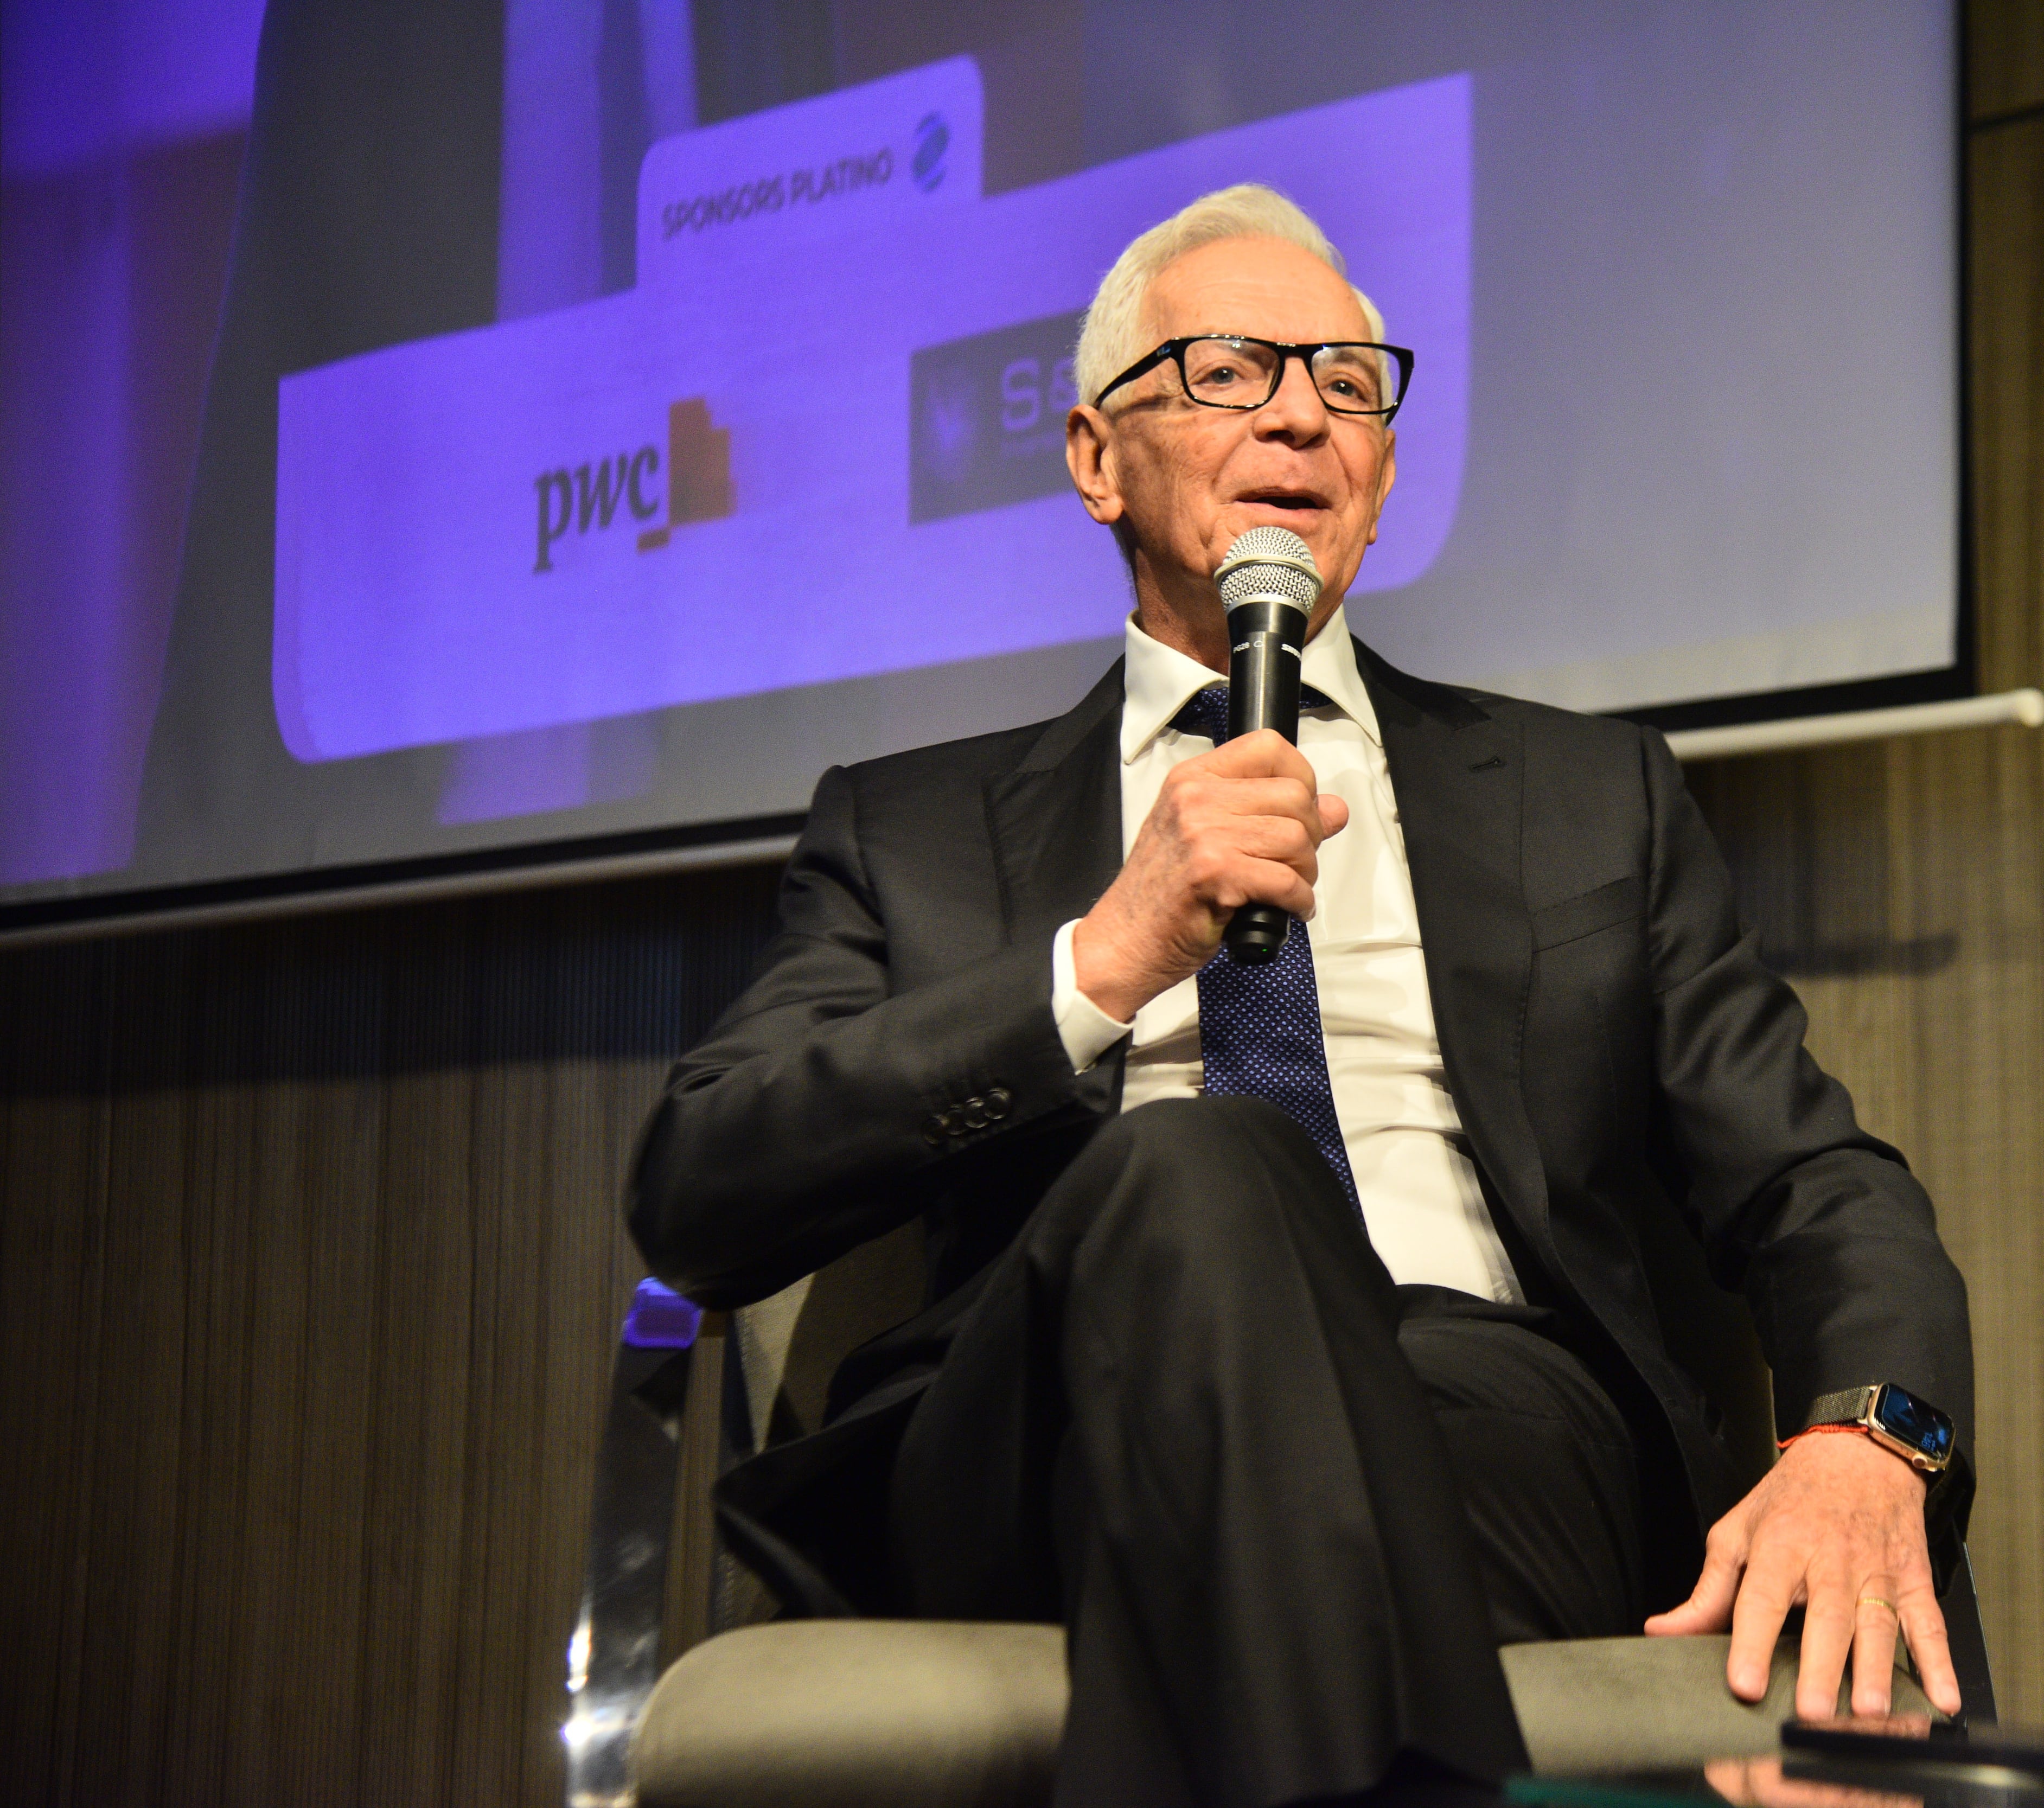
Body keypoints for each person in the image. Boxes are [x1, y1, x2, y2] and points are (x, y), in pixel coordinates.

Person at [628, 184, 1974, 1808]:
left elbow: (1817, 1178)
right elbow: (699, 1193)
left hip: (1490, 1414)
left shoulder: (1582, 796)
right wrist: (1104, 957)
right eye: (1227, 370)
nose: (1298, 412)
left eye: (1349, 384)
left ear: (1385, 479)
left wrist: (1864, 1433)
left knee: (1341, 1445)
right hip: (1044, 1420)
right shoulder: (906, 826)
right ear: (1093, 458)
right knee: (1201, 1161)